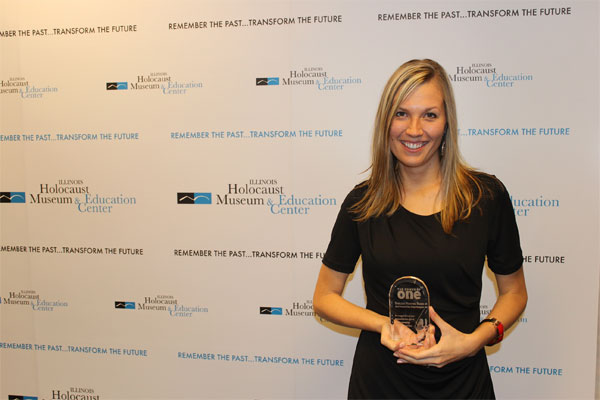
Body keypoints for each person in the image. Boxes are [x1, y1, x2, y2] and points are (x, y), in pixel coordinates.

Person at [313, 59, 527, 399]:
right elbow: (324, 297)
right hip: (381, 384)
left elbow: (514, 292)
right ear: (386, 121)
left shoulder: (485, 197)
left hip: (463, 384)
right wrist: (383, 324)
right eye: (401, 113)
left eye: (429, 115)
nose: (414, 130)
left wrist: (475, 340)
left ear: (446, 122)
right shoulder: (362, 202)